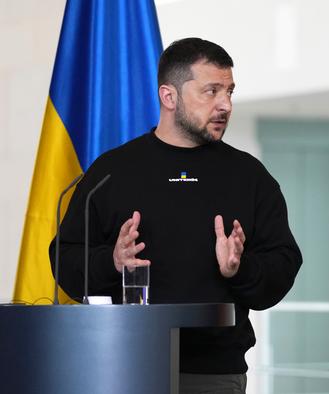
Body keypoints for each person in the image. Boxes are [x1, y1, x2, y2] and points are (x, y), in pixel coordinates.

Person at [49, 38, 302, 393]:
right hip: (122, 365)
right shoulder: (111, 171)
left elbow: (285, 264)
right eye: (211, 91)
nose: (225, 105)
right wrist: (112, 261)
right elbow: (64, 259)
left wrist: (239, 269)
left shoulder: (250, 177)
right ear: (169, 97)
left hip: (214, 375)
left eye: (229, 91)